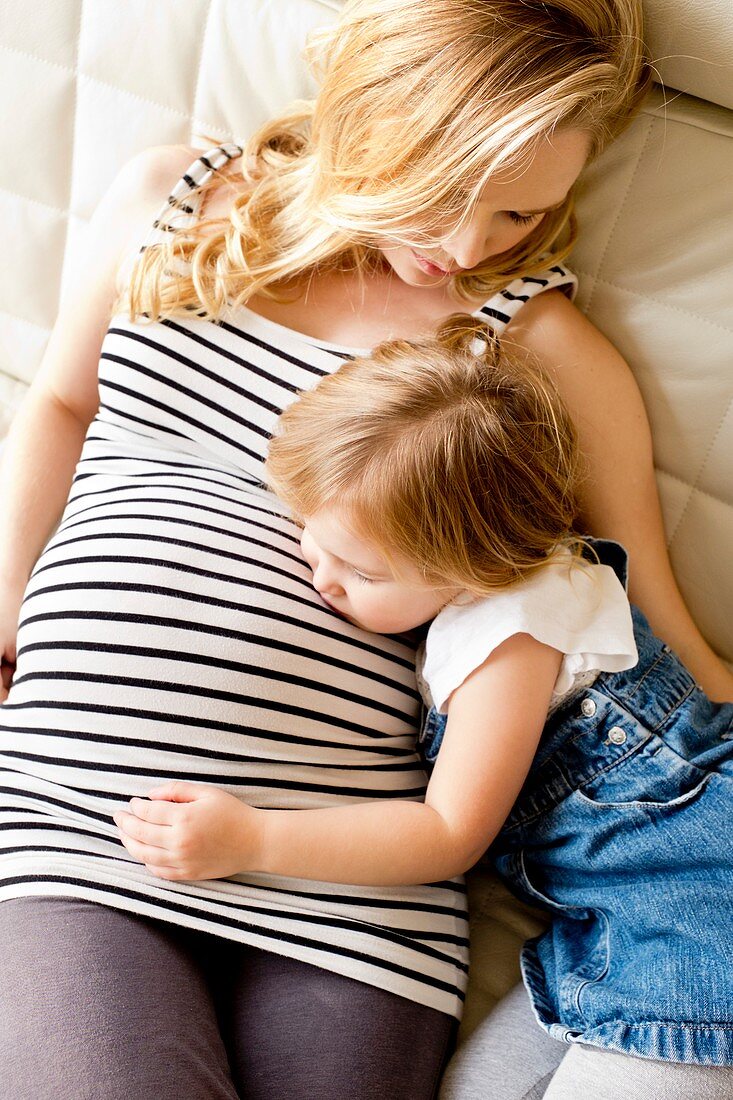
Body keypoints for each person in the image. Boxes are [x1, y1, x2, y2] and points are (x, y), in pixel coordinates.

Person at [0, 0, 729, 1096]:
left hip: (356, 892)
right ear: (376, 117)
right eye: (446, 195)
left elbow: (652, 624)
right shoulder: (175, 201)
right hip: (80, 823)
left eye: (520, 215)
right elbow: (59, 403)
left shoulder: (544, 349)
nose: (467, 247)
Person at [260, 316, 733, 1094]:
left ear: (474, 567)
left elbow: (446, 833)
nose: (321, 576)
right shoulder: (508, 585)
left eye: (360, 571)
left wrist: (254, 838)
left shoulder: (512, 636)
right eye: (309, 536)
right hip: (615, 924)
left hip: (699, 918)